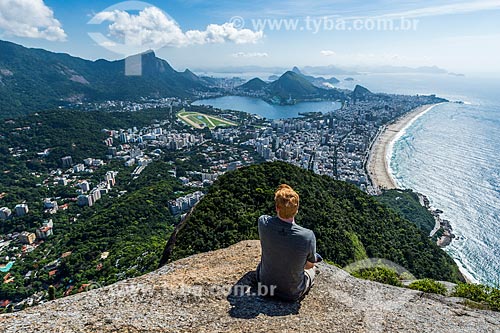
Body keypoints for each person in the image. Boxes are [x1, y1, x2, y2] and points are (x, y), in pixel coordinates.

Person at [256, 184, 318, 301]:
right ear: (297, 209)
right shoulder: (307, 236)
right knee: (313, 269)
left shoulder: (262, 223)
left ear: (277, 208)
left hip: (264, 284)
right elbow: (309, 265)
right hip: (292, 292)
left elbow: (266, 218)